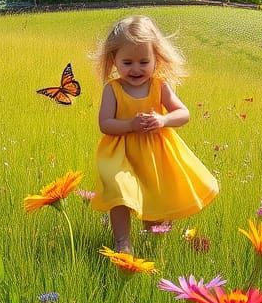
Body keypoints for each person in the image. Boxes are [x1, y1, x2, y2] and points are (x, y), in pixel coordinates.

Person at [91, 15, 218, 253]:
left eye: (143, 61)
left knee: (156, 194)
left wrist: (163, 120)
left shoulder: (160, 86)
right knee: (119, 192)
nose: (136, 69)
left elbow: (183, 114)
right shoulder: (113, 89)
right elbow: (105, 124)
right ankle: (122, 241)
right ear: (113, 60)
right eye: (127, 62)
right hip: (122, 154)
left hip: (155, 153)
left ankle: (155, 239)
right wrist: (130, 124)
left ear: (155, 58)